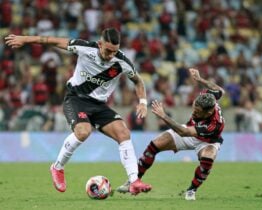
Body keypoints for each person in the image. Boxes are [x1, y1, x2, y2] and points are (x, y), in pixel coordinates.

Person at [5, 28, 152, 195]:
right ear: (100, 44)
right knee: (83, 131)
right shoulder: (85, 48)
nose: (111, 55)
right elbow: (51, 40)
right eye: (108, 50)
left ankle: (134, 181)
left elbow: (138, 81)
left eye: (115, 51)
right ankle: (57, 167)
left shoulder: (122, 62)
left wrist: (142, 102)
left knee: (124, 133)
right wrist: (25, 39)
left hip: (99, 106)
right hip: (76, 98)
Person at [117, 68, 225, 200]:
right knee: (155, 144)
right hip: (192, 129)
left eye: (197, 111)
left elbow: (184, 132)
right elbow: (220, 90)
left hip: (208, 141)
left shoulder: (214, 124)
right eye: (194, 107)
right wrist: (200, 79)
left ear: (208, 113)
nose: (194, 112)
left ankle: (191, 190)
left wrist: (163, 116)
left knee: (208, 159)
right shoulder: (207, 97)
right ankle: (134, 181)